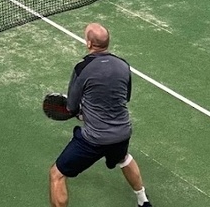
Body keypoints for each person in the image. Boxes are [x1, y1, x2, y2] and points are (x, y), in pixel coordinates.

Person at [49, 23, 151, 207]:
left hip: (94, 139)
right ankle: (143, 201)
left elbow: (71, 106)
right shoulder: (123, 65)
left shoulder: (82, 68)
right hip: (122, 134)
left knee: (57, 174)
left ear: (89, 43)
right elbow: (124, 98)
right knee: (124, 158)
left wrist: (81, 112)